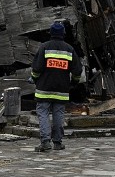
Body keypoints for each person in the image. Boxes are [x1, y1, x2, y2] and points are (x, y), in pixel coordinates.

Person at [31, 21, 84, 152]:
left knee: (43, 114)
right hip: (62, 89)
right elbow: (77, 71)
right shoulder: (69, 49)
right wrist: (74, 83)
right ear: (63, 34)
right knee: (58, 115)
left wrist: (34, 78)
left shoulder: (44, 47)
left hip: (44, 89)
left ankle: (45, 142)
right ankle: (58, 142)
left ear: (51, 33)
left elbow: (36, 69)